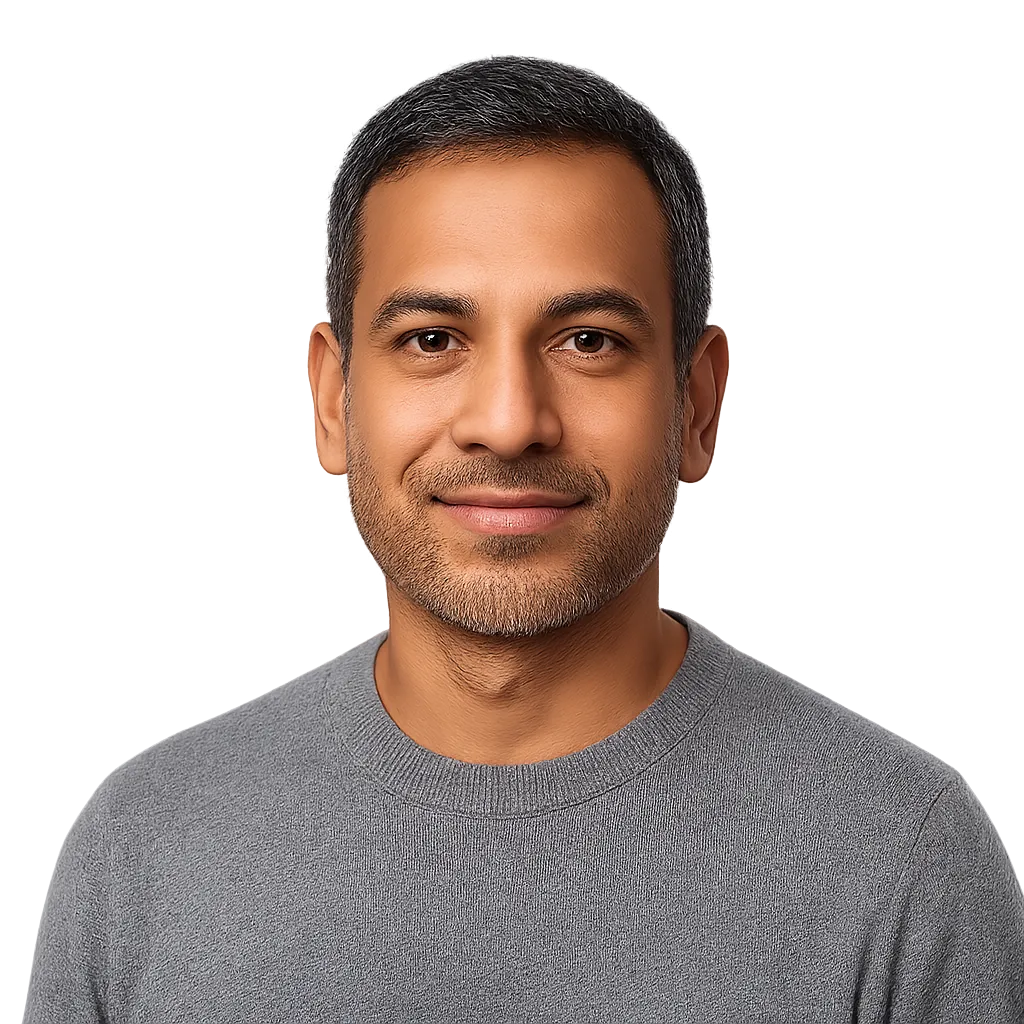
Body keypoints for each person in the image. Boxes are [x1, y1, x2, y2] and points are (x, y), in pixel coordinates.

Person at [25, 55, 1023, 1022]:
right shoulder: (144, 851)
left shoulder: (899, 862)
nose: (508, 420)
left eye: (588, 339)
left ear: (698, 402)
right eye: (431, 340)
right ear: (331, 400)